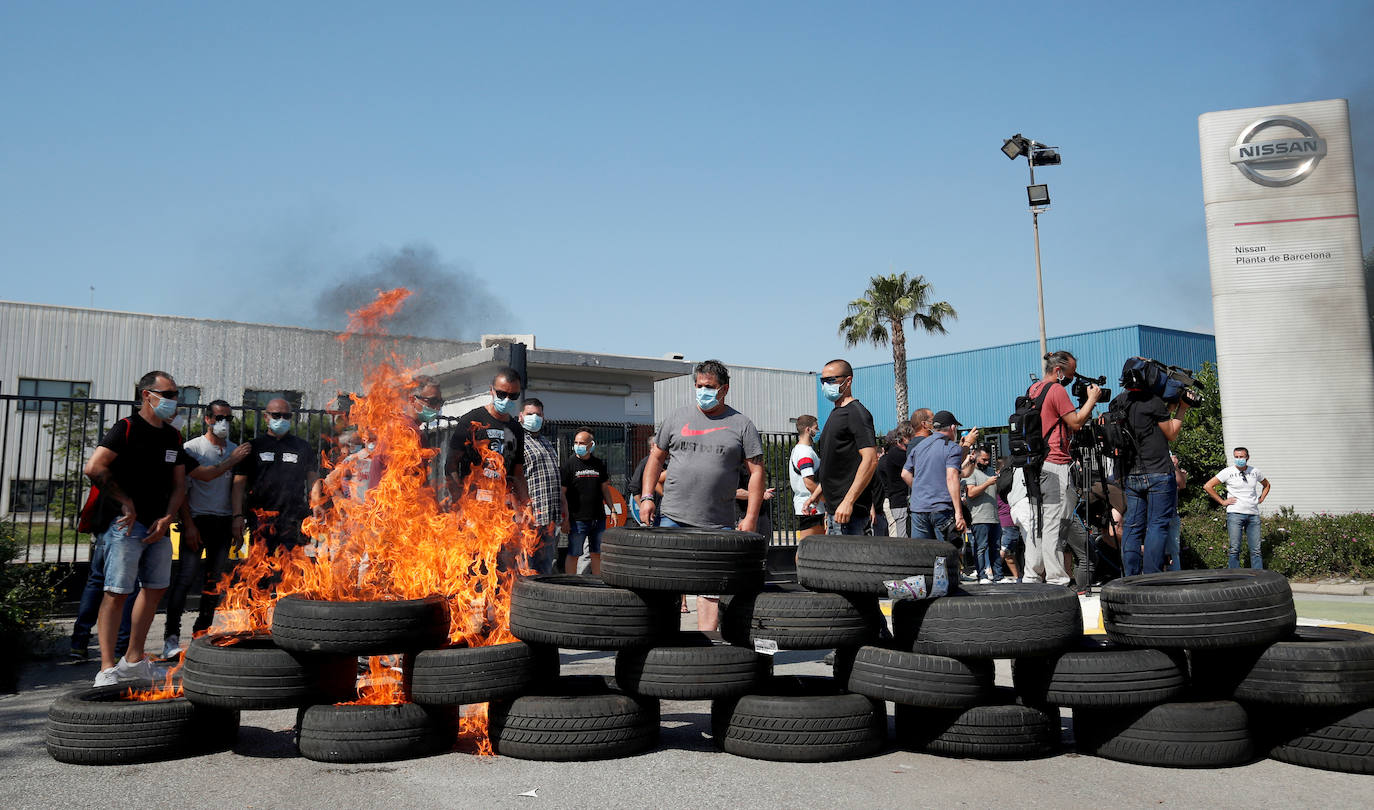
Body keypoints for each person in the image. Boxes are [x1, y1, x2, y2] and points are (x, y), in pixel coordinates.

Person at [85, 371, 194, 686]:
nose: (175, 400)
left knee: (156, 588)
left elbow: (179, 484)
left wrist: (169, 516)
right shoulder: (127, 428)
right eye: (169, 393)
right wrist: (126, 502)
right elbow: (94, 467)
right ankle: (107, 668)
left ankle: (133, 660)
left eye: (176, 394)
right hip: (125, 525)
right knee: (117, 591)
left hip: (158, 526)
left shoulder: (172, 436)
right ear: (148, 395)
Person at [640, 359, 764, 631]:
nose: (703, 391)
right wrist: (647, 497)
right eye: (699, 386)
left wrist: (751, 517)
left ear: (724, 389)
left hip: (717, 523)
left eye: (709, 387)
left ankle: (707, 650)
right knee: (667, 586)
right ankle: (666, 643)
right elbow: (655, 459)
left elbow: (756, 472)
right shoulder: (676, 418)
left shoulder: (741, 424)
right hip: (672, 518)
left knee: (710, 590)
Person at [161, 400, 251, 656]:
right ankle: (171, 636)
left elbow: (238, 488)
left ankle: (201, 633)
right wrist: (188, 524)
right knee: (185, 578)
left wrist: (237, 518)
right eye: (218, 417)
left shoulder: (235, 451)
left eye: (228, 419)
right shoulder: (192, 448)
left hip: (223, 521)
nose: (223, 423)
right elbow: (183, 491)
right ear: (207, 419)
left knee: (214, 581)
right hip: (198, 519)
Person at [1022, 351, 1101, 586]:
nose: (1072, 379)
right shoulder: (1056, 390)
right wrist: (1092, 400)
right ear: (1058, 371)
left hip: (1035, 465)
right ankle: (1057, 579)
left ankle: (1032, 575)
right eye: (1070, 374)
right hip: (1055, 463)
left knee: (1039, 522)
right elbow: (1076, 423)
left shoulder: (1033, 389)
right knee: (1056, 523)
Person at [1113, 363, 1190, 575]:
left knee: (1132, 527)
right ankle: (1152, 575)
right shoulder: (1153, 402)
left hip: (1131, 473)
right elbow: (1171, 432)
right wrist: (1182, 407)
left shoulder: (1119, 402)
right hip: (1158, 472)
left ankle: (1131, 576)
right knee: (1157, 525)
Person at [232, 398, 319, 554]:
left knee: (294, 568)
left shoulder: (302, 447)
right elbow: (238, 485)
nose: (281, 420)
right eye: (276, 415)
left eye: (286, 416)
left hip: (294, 518)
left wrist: (317, 503)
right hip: (260, 518)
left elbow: (313, 479)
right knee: (259, 568)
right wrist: (237, 515)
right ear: (266, 417)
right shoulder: (253, 447)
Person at [446, 367, 528, 505]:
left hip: (501, 505)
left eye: (513, 396)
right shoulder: (471, 420)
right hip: (474, 504)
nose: (507, 400)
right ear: (492, 390)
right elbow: (451, 465)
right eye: (502, 394)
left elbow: (518, 473)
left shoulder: (516, 429)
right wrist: (458, 500)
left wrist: (527, 504)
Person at [814, 359, 878, 535]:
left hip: (850, 515)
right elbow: (835, 462)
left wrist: (849, 501)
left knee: (851, 562)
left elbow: (871, 459)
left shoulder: (857, 413)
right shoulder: (835, 413)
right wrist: (817, 495)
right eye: (823, 380)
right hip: (834, 511)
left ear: (848, 381)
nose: (826, 385)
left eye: (831, 380)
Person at [903, 411, 974, 544]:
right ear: (953, 428)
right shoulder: (952, 448)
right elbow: (952, 477)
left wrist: (920, 489)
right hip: (941, 509)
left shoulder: (919, 447)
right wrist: (959, 514)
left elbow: (905, 474)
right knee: (947, 553)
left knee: (922, 555)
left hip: (919, 509)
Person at [1203, 447, 1271, 569]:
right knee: (1235, 548)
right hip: (1235, 514)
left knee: (1256, 550)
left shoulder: (1255, 471)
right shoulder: (1227, 472)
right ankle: (1234, 577)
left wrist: (1261, 498)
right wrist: (1222, 501)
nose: (1239, 459)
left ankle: (1258, 577)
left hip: (1253, 514)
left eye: (1241, 457)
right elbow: (1208, 486)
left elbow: (1267, 485)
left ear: (1247, 457)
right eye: (1237, 457)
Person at [519, 397, 565, 574]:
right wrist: (524, 509)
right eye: (530, 414)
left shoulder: (546, 442)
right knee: (527, 566)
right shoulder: (518, 442)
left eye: (538, 414)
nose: (534, 418)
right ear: (521, 416)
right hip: (530, 517)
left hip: (550, 517)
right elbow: (513, 479)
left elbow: (555, 477)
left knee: (545, 566)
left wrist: (564, 506)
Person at [561, 428, 614, 576]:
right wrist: (565, 518)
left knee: (597, 553)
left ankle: (597, 583)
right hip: (577, 520)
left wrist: (612, 510)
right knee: (574, 553)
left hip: (598, 518)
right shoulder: (568, 465)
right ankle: (571, 585)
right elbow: (562, 494)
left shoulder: (599, 464)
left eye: (582, 443)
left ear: (591, 445)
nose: (578, 445)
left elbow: (605, 489)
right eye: (576, 442)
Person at [963, 447, 1003, 583]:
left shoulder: (991, 472)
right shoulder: (971, 472)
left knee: (996, 548)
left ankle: (998, 576)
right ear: (976, 458)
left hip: (994, 517)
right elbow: (971, 493)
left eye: (988, 460)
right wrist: (987, 483)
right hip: (979, 518)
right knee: (981, 547)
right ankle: (982, 576)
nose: (986, 462)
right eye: (983, 459)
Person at [790, 415, 825, 538]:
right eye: (816, 428)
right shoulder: (805, 452)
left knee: (811, 549)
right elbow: (809, 483)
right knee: (808, 549)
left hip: (808, 506)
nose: (818, 430)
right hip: (811, 508)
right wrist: (826, 500)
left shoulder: (798, 450)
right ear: (808, 430)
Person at [876, 426, 913, 537]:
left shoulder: (887, 458)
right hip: (896, 501)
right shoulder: (896, 455)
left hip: (893, 501)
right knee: (898, 536)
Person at [1164, 452, 1188, 571]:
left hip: (1171, 514)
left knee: (1173, 550)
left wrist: (1175, 467)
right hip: (1151, 515)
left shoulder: (1174, 470)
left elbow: (1181, 484)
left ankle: (1175, 575)